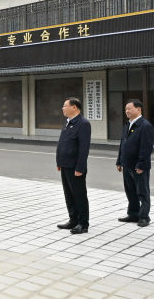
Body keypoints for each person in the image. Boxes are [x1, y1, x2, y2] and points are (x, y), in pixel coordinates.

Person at [116, 99, 154, 226]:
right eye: (126, 109)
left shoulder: (145, 126)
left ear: (139, 109)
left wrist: (141, 164)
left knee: (142, 192)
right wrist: (119, 160)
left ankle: (144, 217)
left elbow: (146, 148)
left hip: (138, 166)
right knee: (130, 191)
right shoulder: (127, 124)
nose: (127, 111)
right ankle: (133, 214)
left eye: (129, 108)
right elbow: (123, 144)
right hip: (126, 164)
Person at [55, 97, 91, 234]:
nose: (62, 108)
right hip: (65, 165)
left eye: (65, 106)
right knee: (69, 194)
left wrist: (80, 167)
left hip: (75, 167)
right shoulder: (68, 123)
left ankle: (83, 223)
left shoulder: (83, 124)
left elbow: (84, 148)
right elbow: (62, 143)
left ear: (74, 107)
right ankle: (73, 219)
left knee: (79, 195)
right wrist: (59, 162)